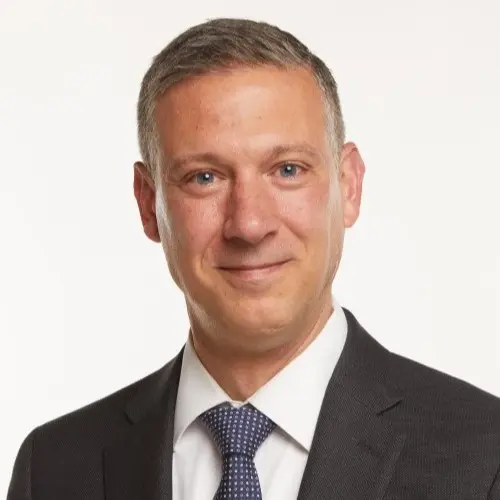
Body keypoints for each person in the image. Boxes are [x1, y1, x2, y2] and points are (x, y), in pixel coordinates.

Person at [7, 17, 500, 500]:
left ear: (349, 185)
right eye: (204, 177)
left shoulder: (484, 459)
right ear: (148, 203)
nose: (249, 224)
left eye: (287, 170)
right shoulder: (52, 469)